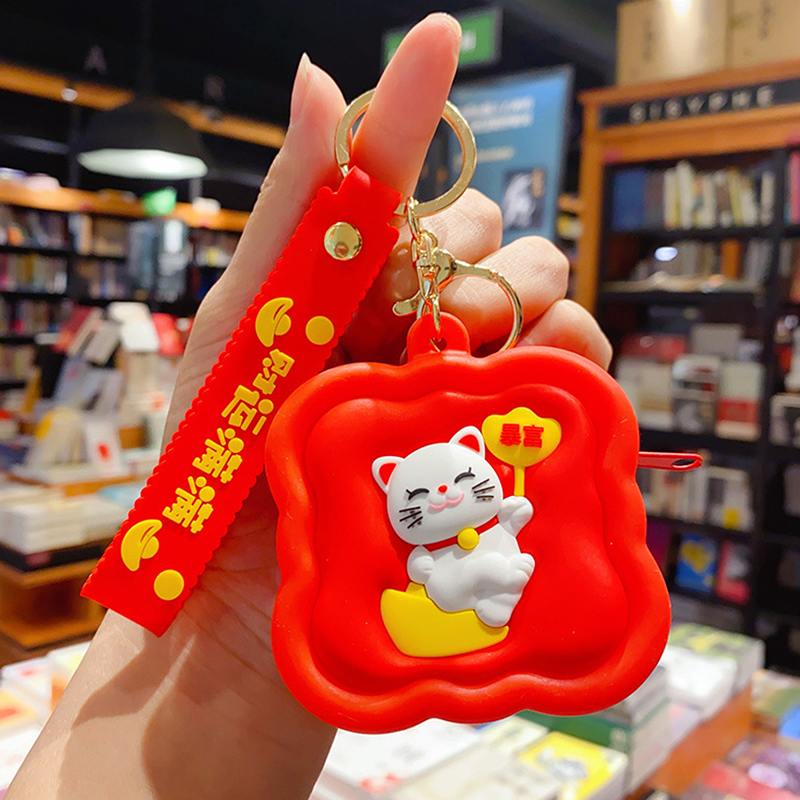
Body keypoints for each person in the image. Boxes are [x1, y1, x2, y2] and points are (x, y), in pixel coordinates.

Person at [6, 14, 610, 800]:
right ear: (390, 478)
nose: (445, 499)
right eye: (426, 493)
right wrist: (226, 628)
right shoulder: (340, 509)